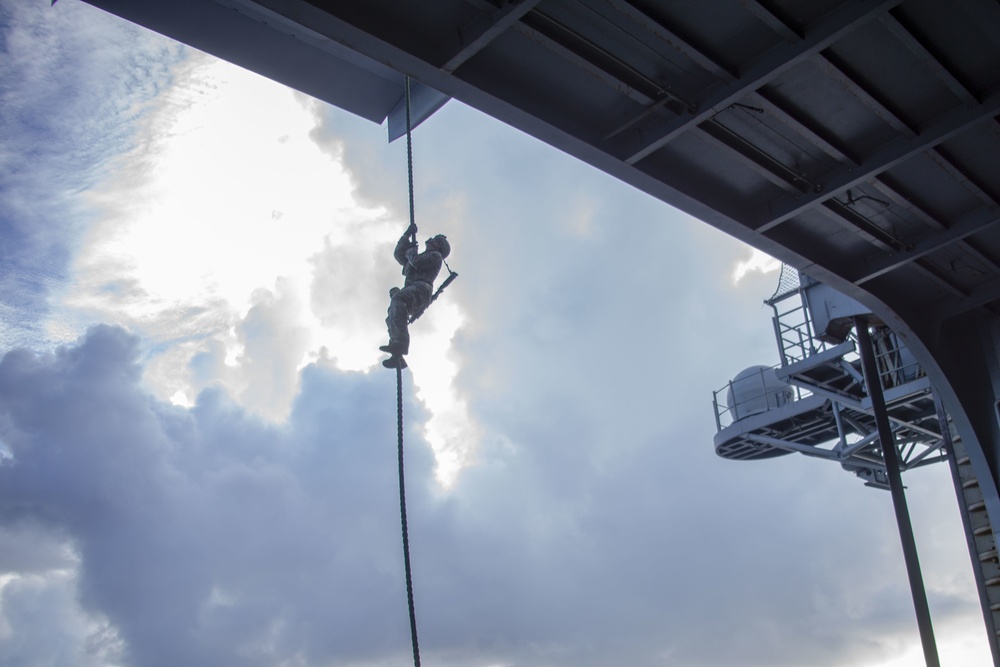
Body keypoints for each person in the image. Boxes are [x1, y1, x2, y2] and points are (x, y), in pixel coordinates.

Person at [380, 222, 451, 369]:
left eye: (435, 240)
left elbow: (417, 262)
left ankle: (401, 344)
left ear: (439, 247)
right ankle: (396, 353)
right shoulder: (417, 256)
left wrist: (412, 251)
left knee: (397, 299)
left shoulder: (435, 256)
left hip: (421, 289)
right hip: (413, 289)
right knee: (393, 313)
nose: (431, 239)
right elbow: (399, 256)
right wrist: (406, 236)